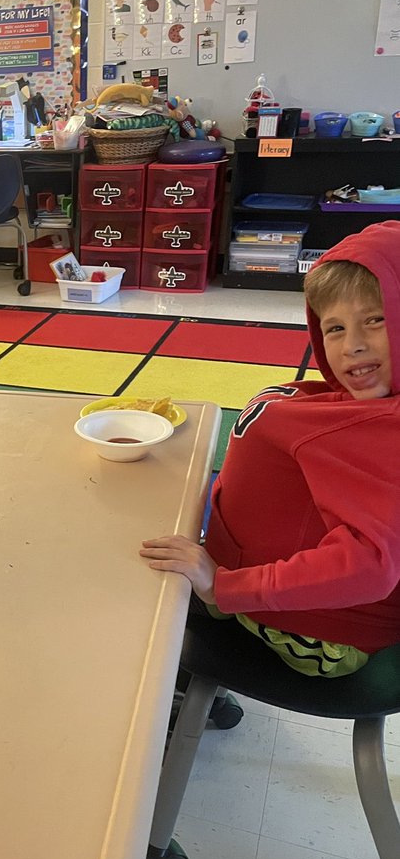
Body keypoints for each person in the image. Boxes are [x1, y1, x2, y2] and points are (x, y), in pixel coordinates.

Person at [140, 220, 400, 678]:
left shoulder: (382, 429)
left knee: (135, 591)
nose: (353, 346)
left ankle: (168, 698)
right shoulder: (364, 405)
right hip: (250, 574)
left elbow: (372, 568)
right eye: (334, 328)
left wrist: (221, 586)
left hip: (317, 629)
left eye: (375, 320)